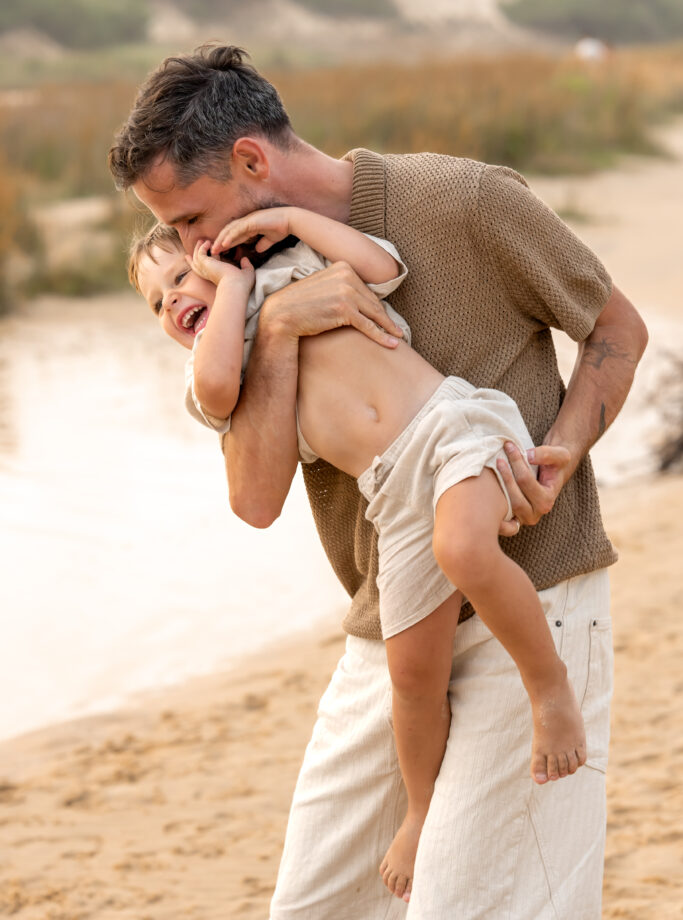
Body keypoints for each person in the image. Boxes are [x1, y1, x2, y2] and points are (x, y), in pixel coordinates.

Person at [109, 44, 648, 919]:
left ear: (252, 160)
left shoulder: (462, 201)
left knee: (474, 906)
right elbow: (253, 498)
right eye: (170, 234)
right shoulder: (250, 296)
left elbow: (616, 331)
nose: (188, 249)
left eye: (190, 218)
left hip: (531, 593)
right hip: (391, 616)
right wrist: (276, 324)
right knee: (314, 905)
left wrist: (558, 450)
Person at [128, 210, 587, 902]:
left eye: (179, 275)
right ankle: (421, 810)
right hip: (390, 497)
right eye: (157, 301)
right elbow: (218, 388)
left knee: (464, 547)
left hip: (448, 427)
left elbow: (381, 266)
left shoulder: (295, 267)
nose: (172, 302)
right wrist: (222, 294)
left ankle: (549, 688)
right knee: (410, 679)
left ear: (222, 250)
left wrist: (285, 221)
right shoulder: (224, 369)